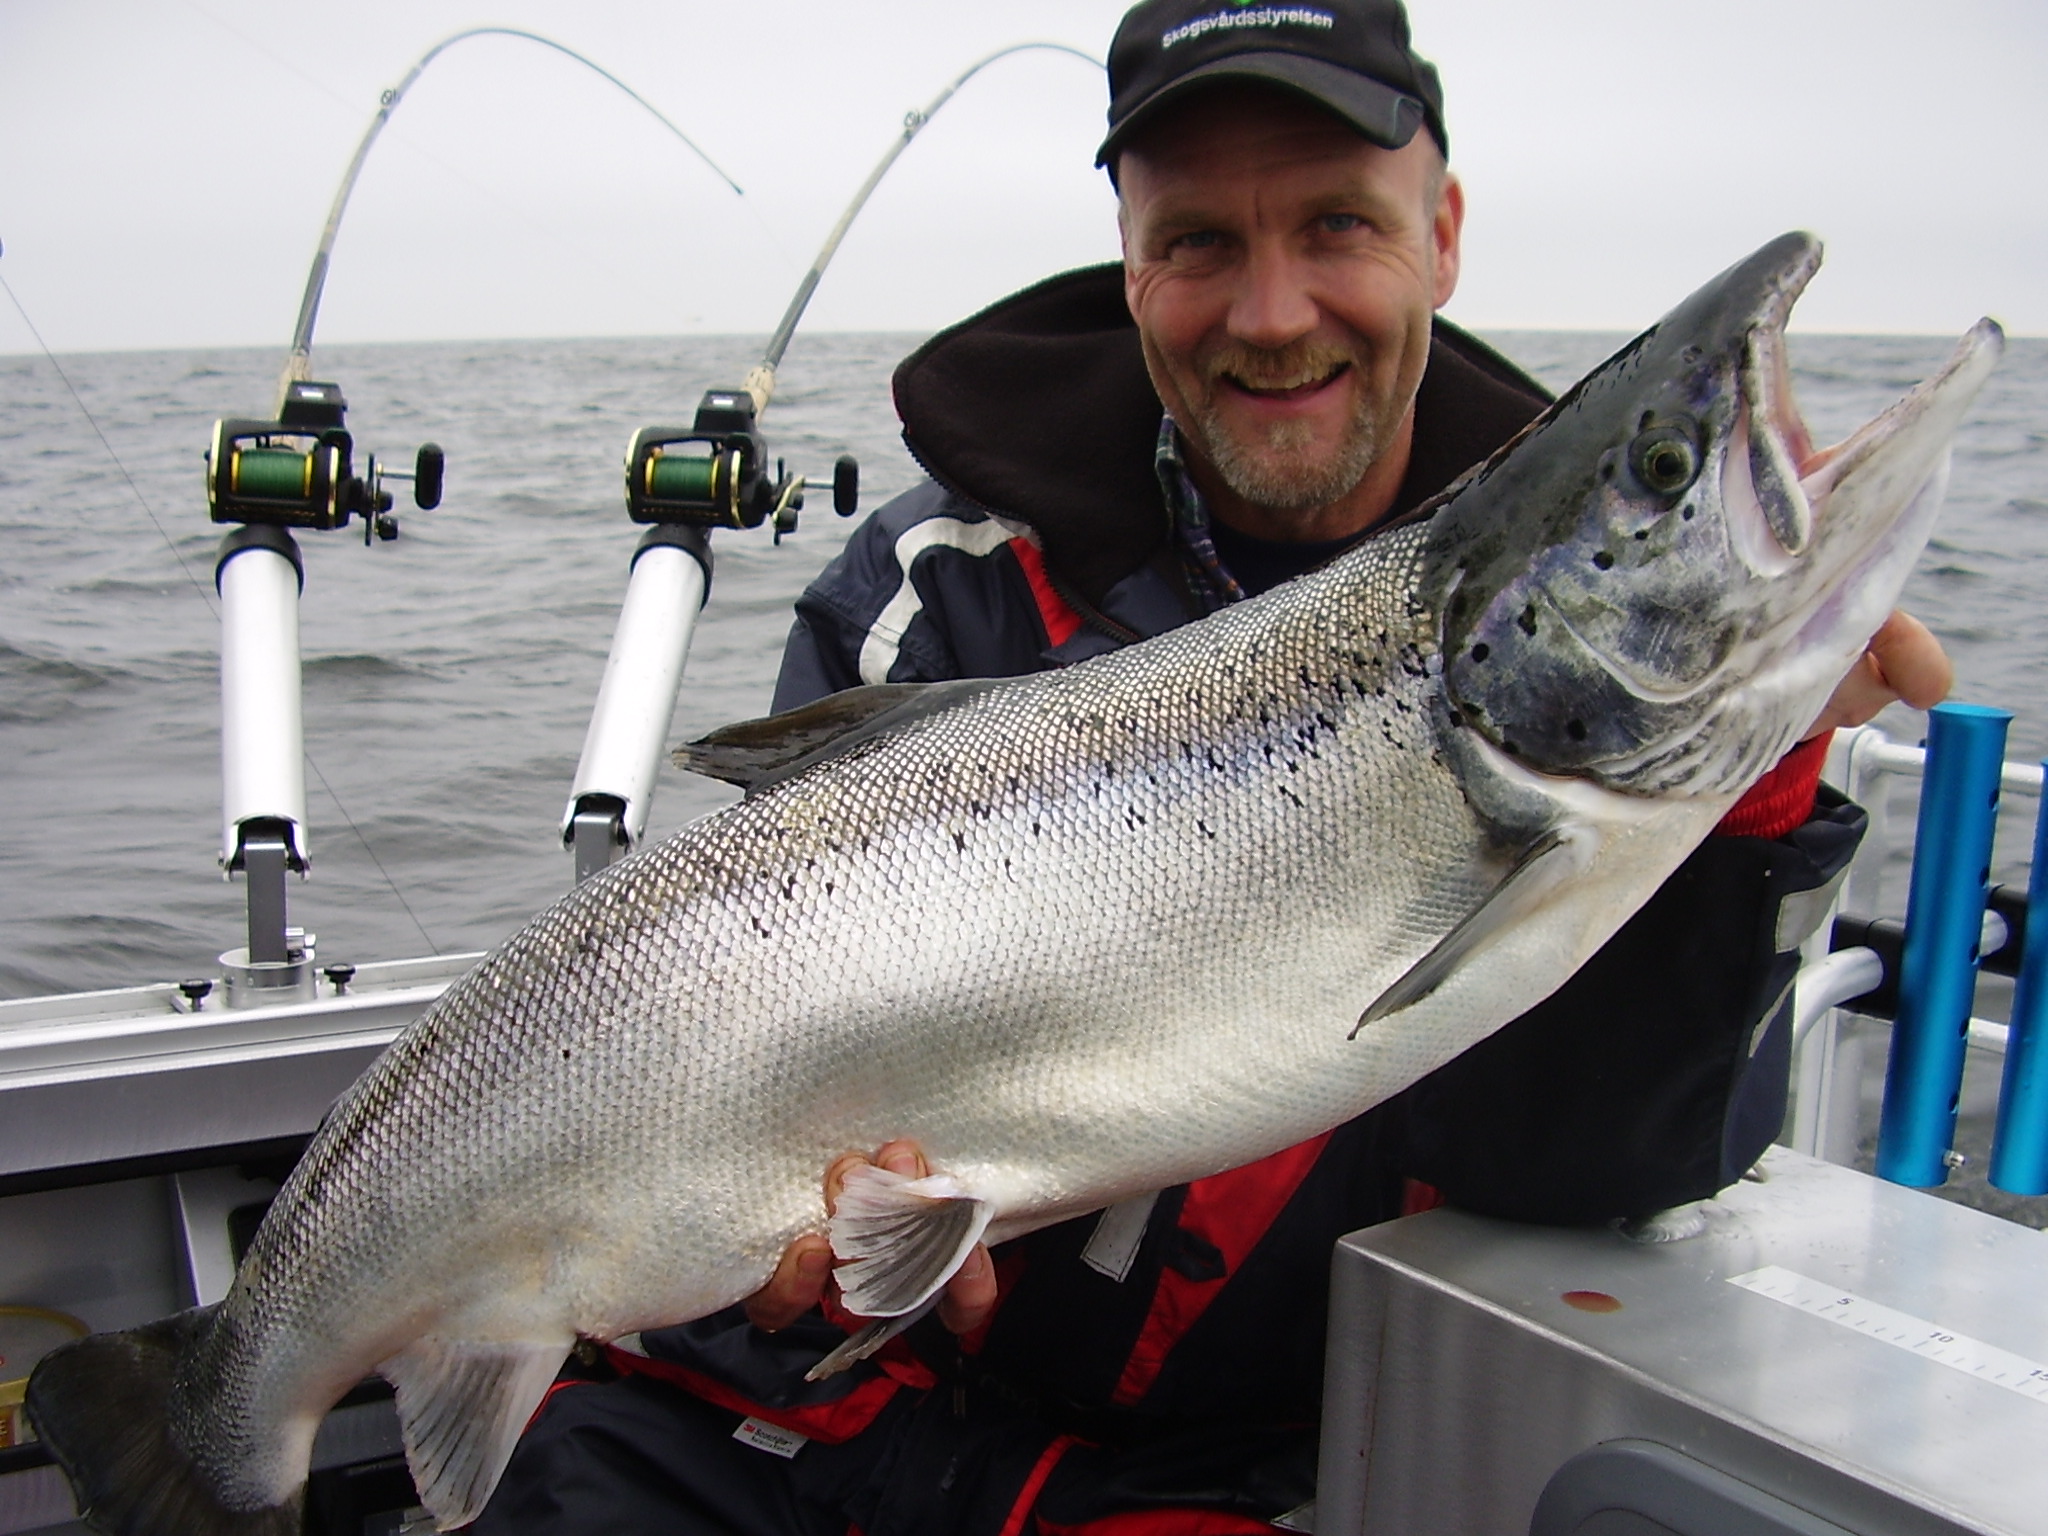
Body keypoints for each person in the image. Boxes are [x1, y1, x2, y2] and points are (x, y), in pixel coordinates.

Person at [475, 2, 1949, 1532]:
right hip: (840, 1426)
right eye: (1196, 243)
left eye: (1334, 224)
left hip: (1238, 1471)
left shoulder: (1528, 645)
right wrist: (819, 1275)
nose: (1269, 311)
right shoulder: (937, 580)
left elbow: (1602, 1170)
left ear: (1440, 235)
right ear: (1131, 267)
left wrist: (1751, 785)